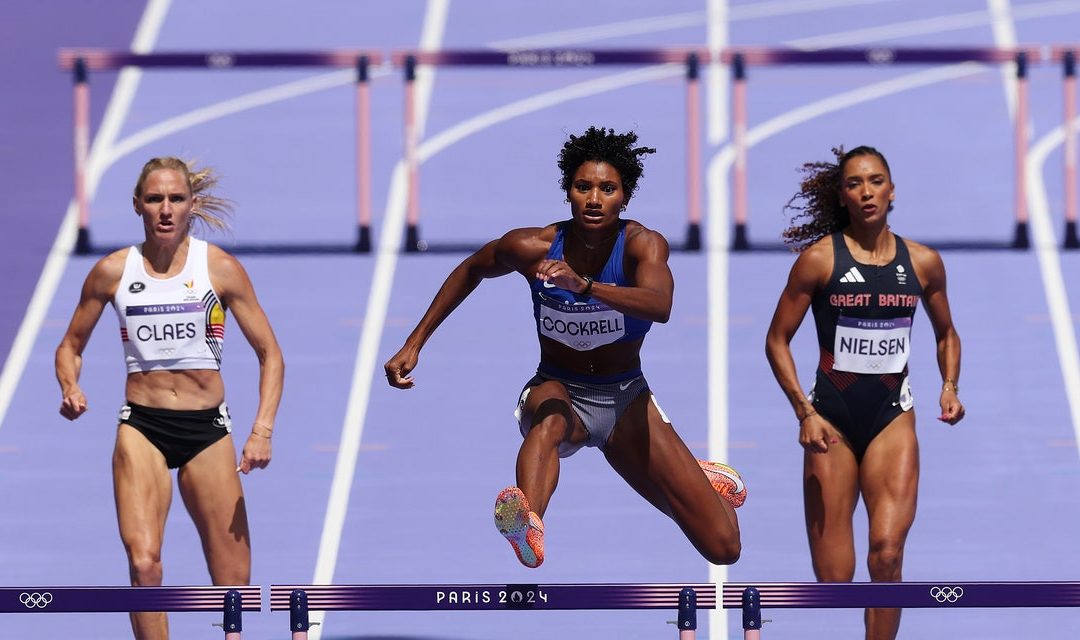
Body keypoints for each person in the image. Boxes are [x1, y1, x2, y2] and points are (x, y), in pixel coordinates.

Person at [384, 126, 743, 569]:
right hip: (557, 387)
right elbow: (472, 269)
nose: (594, 199)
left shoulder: (642, 246)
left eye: (607, 189)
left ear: (624, 198)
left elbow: (660, 305)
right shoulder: (532, 247)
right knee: (548, 422)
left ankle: (693, 475)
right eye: (583, 187)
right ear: (568, 192)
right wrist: (414, 342)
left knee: (723, 547)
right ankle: (526, 525)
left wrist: (586, 286)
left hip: (626, 398)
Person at [55, 157, 284, 639]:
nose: (165, 209)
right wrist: (70, 385)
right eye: (155, 199)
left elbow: (270, 355)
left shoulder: (218, 269)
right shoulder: (112, 272)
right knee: (144, 566)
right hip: (142, 428)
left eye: (176, 199)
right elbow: (70, 346)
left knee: (232, 584)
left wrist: (261, 431)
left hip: (206, 432)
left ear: (192, 206)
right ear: (138, 204)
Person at [765, 146, 964, 639]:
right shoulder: (818, 262)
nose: (866, 191)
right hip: (830, 419)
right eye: (854, 183)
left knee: (888, 554)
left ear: (891, 190)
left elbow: (946, 333)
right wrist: (803, 412)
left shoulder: (922, 263)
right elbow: (776, 340)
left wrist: (949, 386)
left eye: (876, 181)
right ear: (842, 195)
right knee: (835, 578)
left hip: (892, 417)